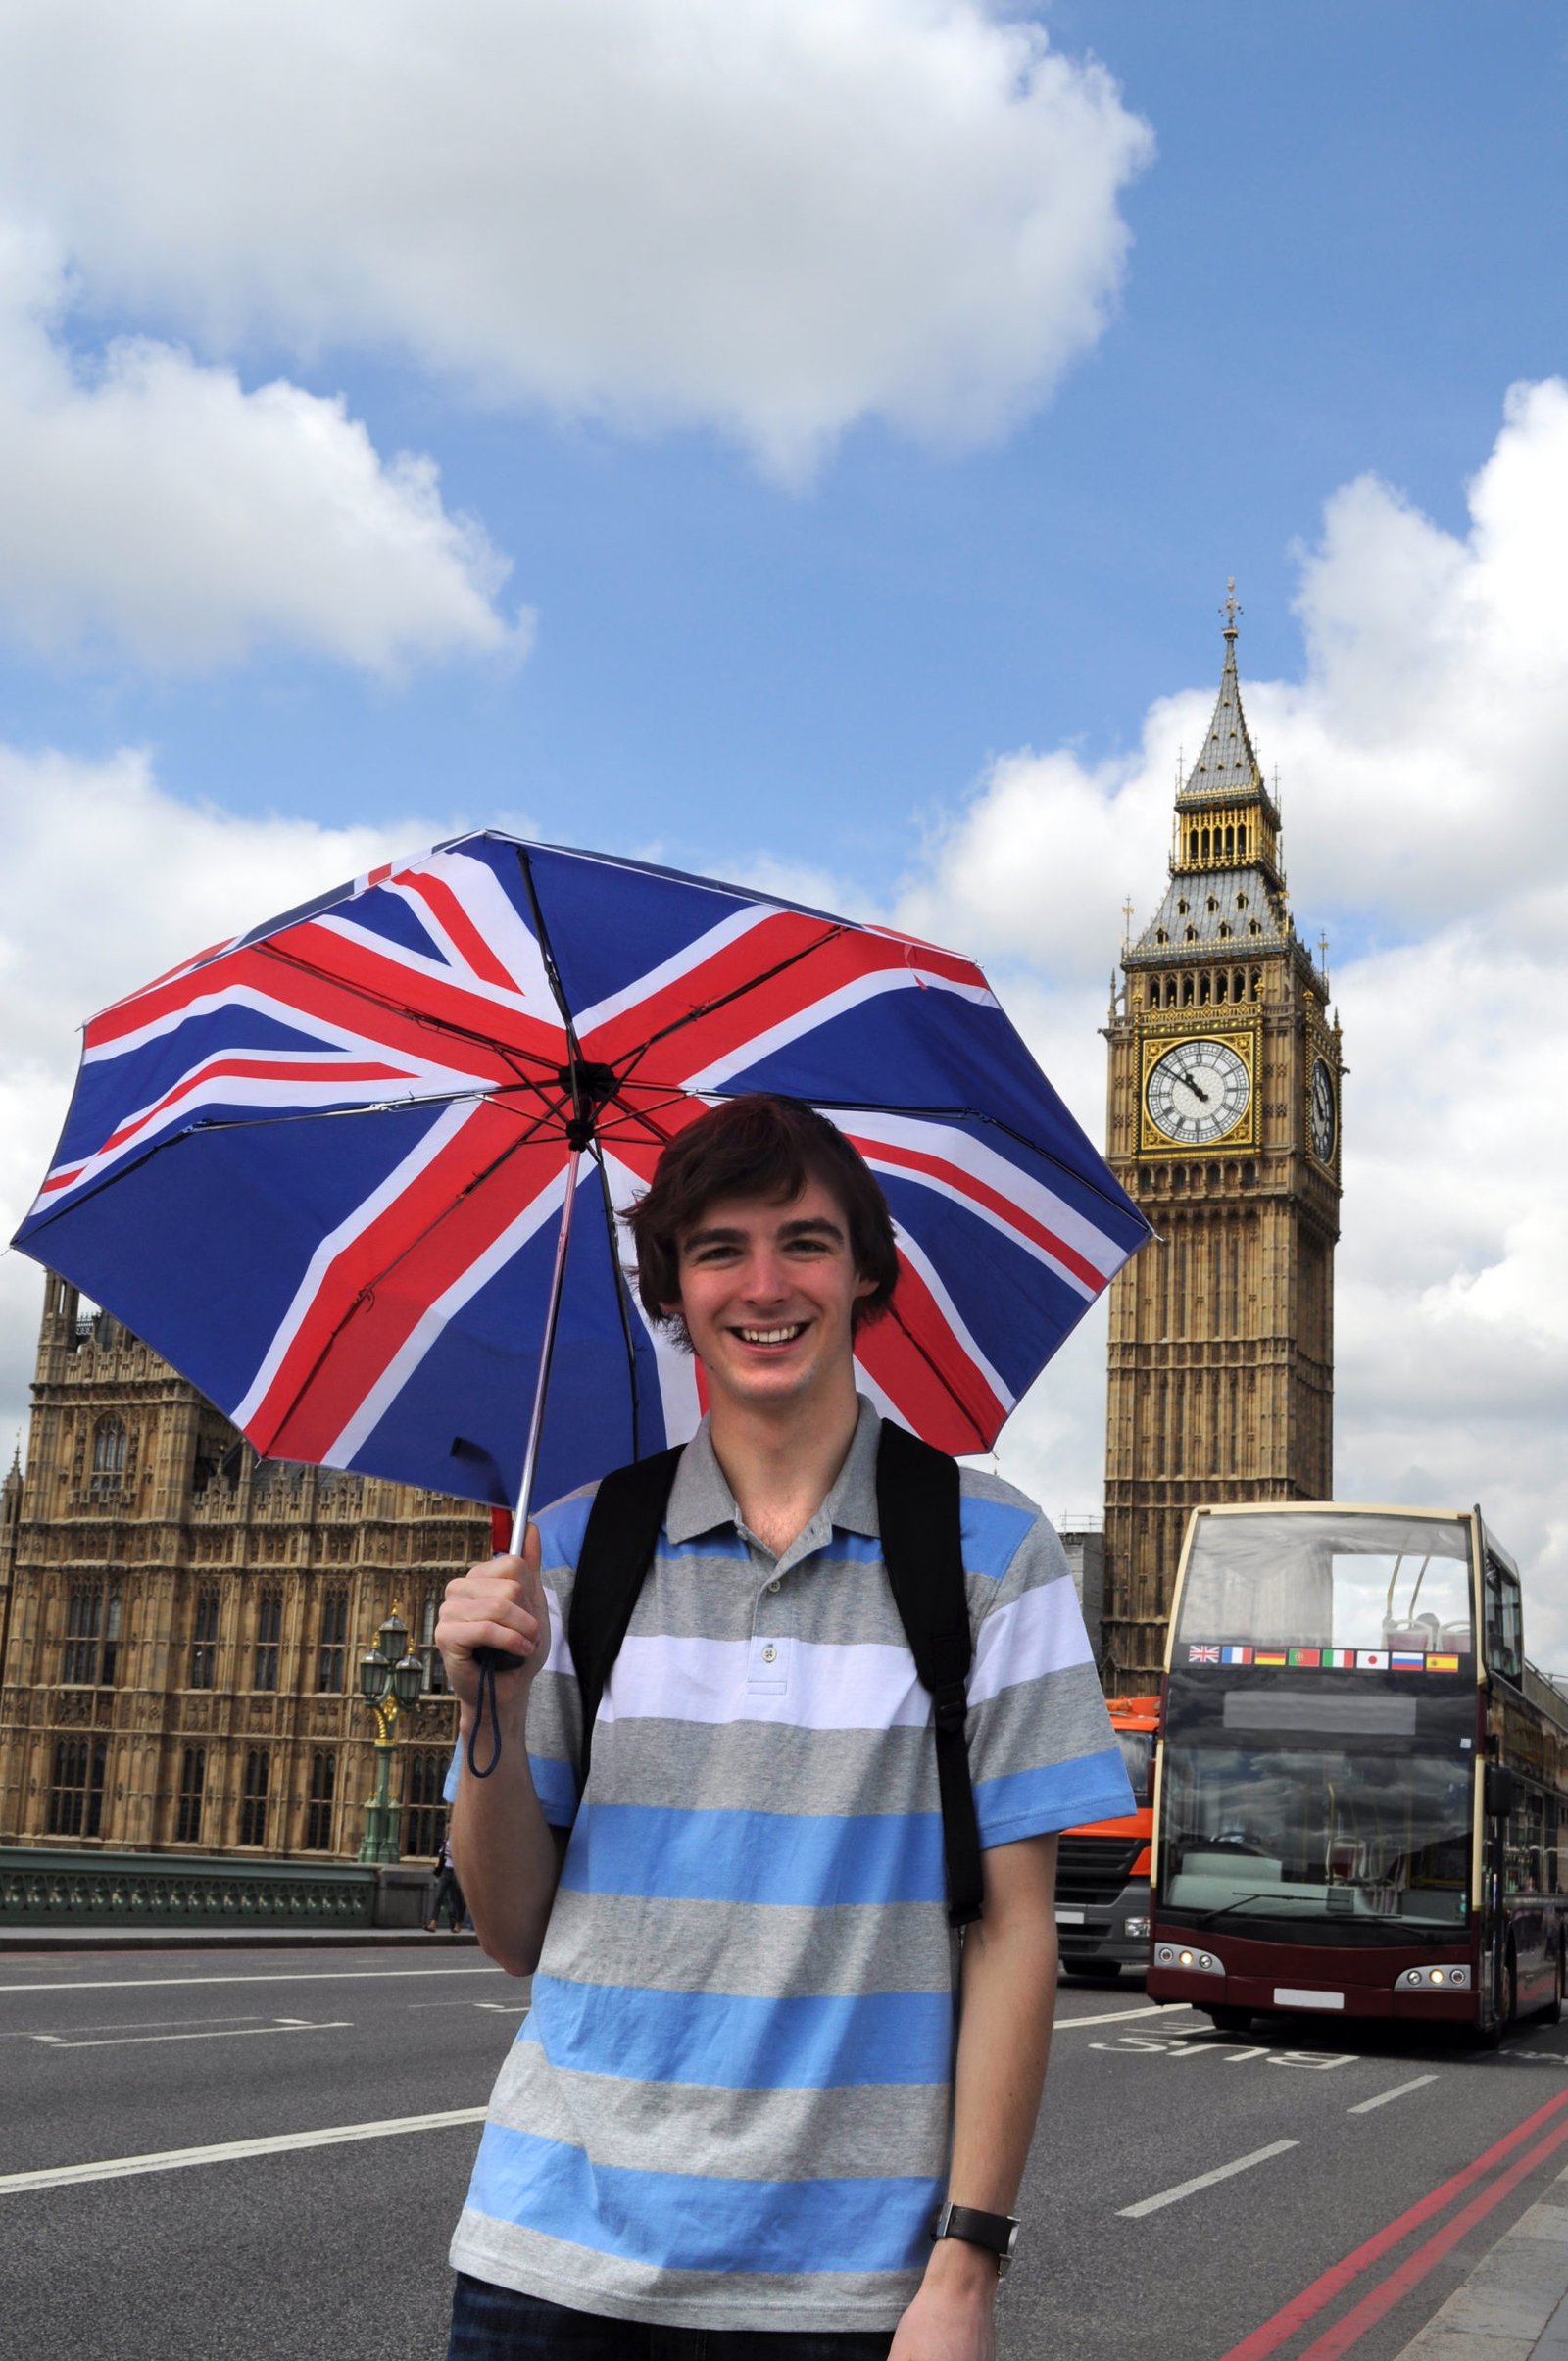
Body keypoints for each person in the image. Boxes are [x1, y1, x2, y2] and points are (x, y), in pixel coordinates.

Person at [436, 1094, 1134, 2359]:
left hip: (848, 2297)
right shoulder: (577, 1548)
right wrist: (486, 1706)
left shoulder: (992, 1553)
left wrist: (967, 2265)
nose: (765, 1285)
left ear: (868, 1272)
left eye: (805, 1242)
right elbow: (510, 1928)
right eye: (718, 1250)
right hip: (545, 2264)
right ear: (672, 1290)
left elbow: (1014, 1933)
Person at [426, 1831, 466, 1934]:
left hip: (457, 1871)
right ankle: (433, 1922)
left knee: (456, 1899)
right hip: (446, 1870)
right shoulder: (447, 1840)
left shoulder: (463, 1840)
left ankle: (457, 1924)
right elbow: (442, 1853)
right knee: (438, 1895)